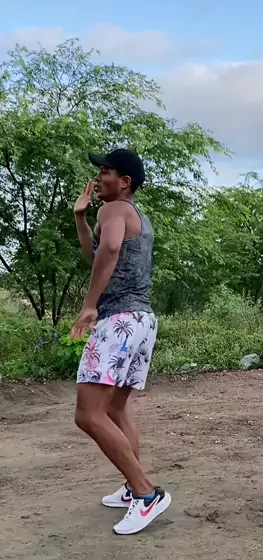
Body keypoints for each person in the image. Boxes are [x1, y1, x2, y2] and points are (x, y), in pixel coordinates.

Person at [71, 148, 171, 535]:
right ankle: (134, 487)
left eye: (106, 172)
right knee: (114, 409)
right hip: (142, 320)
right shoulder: (133, 215)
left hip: (118, 321)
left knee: (88, 414)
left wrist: (89, 305)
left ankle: (146, 494)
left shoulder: (113, 209)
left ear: (124, 182)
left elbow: (110, 250)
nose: (99, 178)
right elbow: (95, 255)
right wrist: (81, 218)